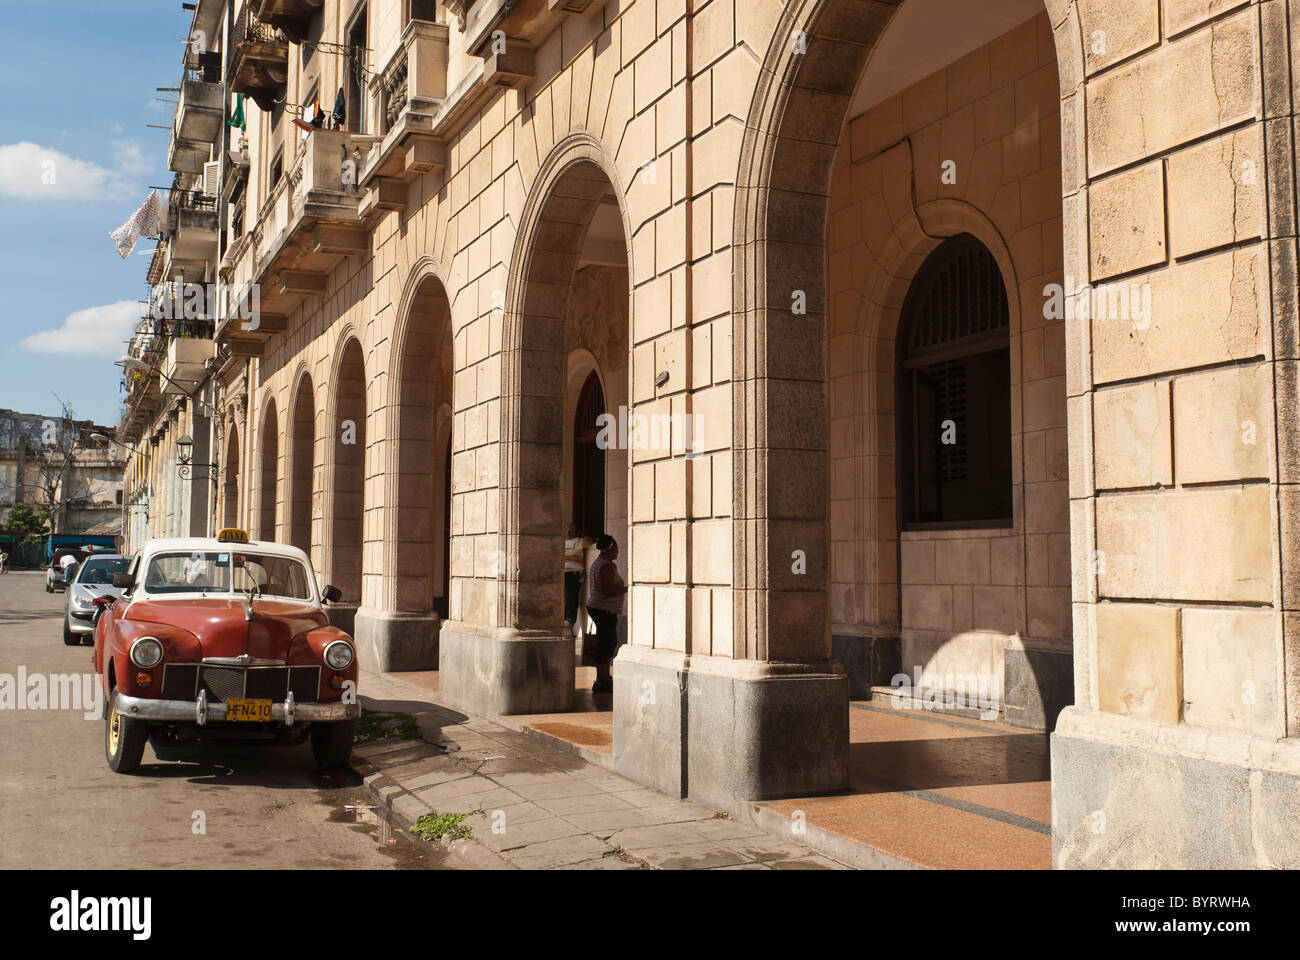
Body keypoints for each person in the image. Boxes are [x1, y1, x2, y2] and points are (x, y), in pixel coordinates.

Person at [586, 535, 626, 696]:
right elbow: (607, 591)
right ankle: (602, 680)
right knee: (606, 645)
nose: (618, 552)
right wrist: (626, 588)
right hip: (603, 609)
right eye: (616, 549)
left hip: (599, 608)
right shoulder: (607, 566)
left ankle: (604, 677)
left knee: (607, 643)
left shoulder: (599, 563)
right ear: (611, 549)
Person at [563, 524, 592, 628]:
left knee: (567, 599)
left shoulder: (562, 543)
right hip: (572, 575)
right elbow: (588, 542)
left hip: (564, 574)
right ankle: (568, 622)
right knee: (571, 600)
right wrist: (585, 535)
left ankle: (566, 621)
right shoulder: (576, 542)